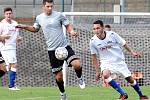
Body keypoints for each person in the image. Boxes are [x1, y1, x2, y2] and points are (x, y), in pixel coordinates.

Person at [16, 0, 85, 99]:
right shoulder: (39, 18)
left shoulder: (59, 15)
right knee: (58, 77)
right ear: (43, 6)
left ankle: (80, 78)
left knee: (77, 64)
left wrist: (72, 31)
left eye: (51, 6)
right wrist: (24, 26)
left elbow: (67, 25)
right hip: (52, 51)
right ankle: (62, 93)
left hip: (64, 47)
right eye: (48, 6)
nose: (50, 8)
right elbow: (35, 29)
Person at [89, 20, 149, 100]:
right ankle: (123, 94)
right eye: (94, 29)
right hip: (106, 62)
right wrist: (97, 71)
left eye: (98, 28)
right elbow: (94, 56)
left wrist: (132, 52)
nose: (96, 31)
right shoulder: (93, 41)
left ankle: (141, 95)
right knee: (105, 74)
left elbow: (123, 43)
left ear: (103, 28)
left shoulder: (112, 34)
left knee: (130, 80)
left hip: (119, 61)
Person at [0, 7, 22, 90]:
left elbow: (17, 36)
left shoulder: (15, 24)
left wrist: (19, 38)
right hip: (5, 48)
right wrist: (3, 36)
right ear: (4, 14)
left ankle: (11, 85)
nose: (8, 15)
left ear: (12, 14)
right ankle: (12, 86)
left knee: (7, 67)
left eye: (10, 13)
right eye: (7, 14)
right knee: (13, 65)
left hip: (13, 48)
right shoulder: (2, 24)